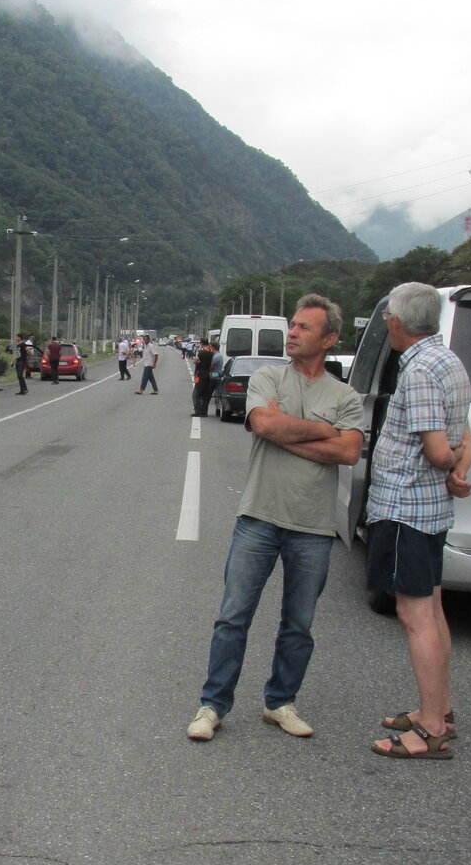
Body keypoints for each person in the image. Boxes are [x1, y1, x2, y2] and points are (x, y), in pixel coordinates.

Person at [187, 295, 364, 741]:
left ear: (329, 339)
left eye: (305, 328)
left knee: (298, 624)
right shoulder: (267, 376)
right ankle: (212, 705)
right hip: (259, 517)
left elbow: (348, 451)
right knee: (233, 616)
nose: (293, 333)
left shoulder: (345, 395)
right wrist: (324, 429)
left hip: (314, 527)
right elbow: (264, 424)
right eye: (293, 325)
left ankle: (280, 702)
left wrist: (292, 431)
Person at [365, 282, 471, 761]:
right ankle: (440, 707)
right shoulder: (449, 361)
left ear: (396, 321)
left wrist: (452, 465)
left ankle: (431, 728)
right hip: (430, 510)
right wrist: (461, 466)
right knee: (432, 607)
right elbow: (464, 430)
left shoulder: (421, 370)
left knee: (414, 615)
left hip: (406, 507)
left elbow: (436, 450)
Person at [192, 337, 215, 416]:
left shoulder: (202, 352)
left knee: (196, 394)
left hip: (200, 375)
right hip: (208, 375)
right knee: (205, 395)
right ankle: (204, 412)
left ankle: (198, 411)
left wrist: (196, 360)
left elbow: (195, 361)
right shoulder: (211, 352)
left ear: (201, 343)